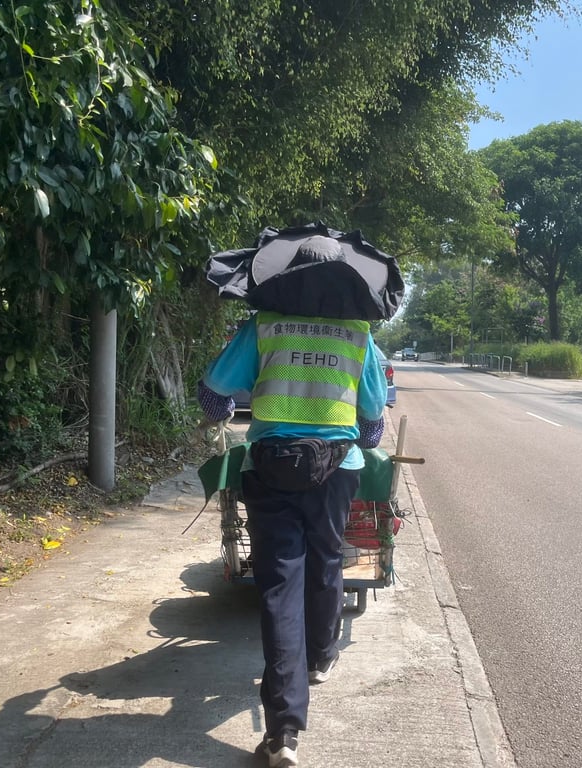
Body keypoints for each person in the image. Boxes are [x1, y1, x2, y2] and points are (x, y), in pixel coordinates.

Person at [197, 237, 388, 768]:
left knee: (280, 582)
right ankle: (321, 657)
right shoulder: (359, 336)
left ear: (287, 276)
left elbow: (214, 396)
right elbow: (372, 430)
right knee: (327, 557)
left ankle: (283, 733)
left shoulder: (264, 325)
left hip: (272, 466)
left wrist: (245, 399)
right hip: (337, 471)